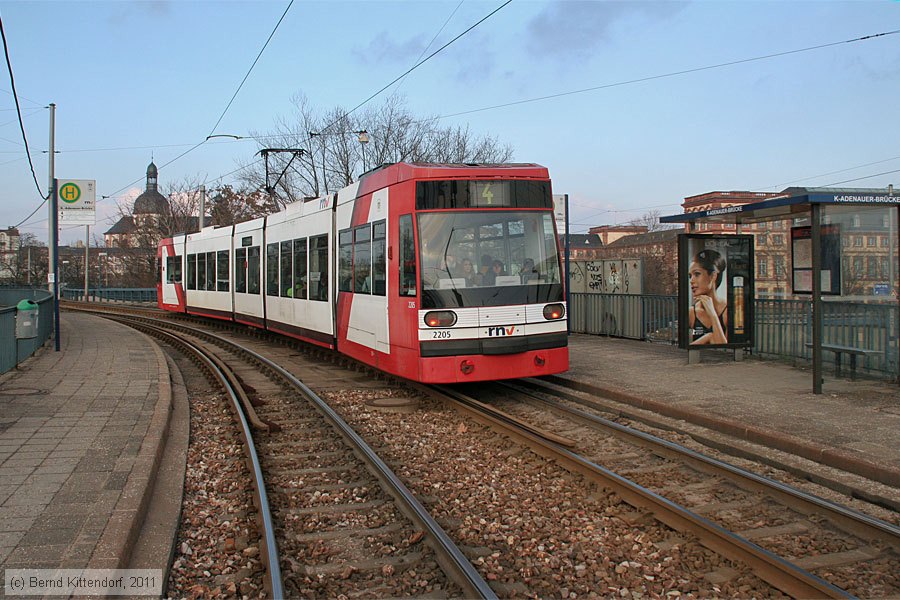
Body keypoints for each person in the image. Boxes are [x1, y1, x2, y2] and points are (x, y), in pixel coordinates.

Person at [688, 249, 728, 345]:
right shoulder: (691, 312)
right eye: (690, 276)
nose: (691, 281)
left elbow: (725, 348)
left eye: (697, 274)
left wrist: (713, 315)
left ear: (713, 276)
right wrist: (708, 337)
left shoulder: (728, 310)